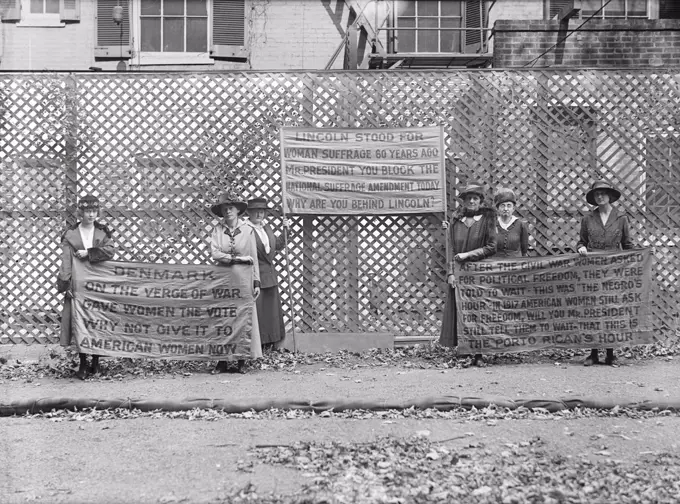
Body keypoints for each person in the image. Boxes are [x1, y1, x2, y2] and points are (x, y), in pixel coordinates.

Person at [57, 195, 116, 380]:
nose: (91, 215)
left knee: (97, 321)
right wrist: (65, 283)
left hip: (98, 283)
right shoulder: (71, 234)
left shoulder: (102, 231)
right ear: (80, 213)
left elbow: (110, 251)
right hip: (79, 284)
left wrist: (90, 253)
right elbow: (66, 261)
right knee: (81, 322)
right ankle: (83, 364)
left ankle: (96, 363)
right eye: (87, 212)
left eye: (94, 211)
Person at [577, 179, 634, 366]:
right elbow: (581, 242)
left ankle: (611, 353)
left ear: (610, 196)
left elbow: (627, 245)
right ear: (593, 197)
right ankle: (593, 353)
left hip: (613, 271)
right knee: (593, 310)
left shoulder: (621, 218)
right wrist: (581, 248)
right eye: (596, 194)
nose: (600, 196)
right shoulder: (588, 219)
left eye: (603, 193)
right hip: (593, 270)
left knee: (611, 310)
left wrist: (639, 256)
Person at [440, 182, 497, 366]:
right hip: (460, 274)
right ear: (463, 201)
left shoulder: (487, 219)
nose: (472, 201)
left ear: (480, 201)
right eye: (468, 198)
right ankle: (464, 351)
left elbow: (491, 246)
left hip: (480, 273)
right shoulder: (456, 221)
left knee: (479, 313)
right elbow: (450, 248)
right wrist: (450, 273)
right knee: (461, 311)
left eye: (475, 198)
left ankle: (479, 353)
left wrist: (468, 255)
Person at [210, 192, 262, 373]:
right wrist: (236, 259)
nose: (228, 212)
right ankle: (222, 360)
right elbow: (215, 253)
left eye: (231, 208)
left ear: (238, 210)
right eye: (224, 209)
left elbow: (253, 256)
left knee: (242, 317)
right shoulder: (217, 230)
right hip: (223, 279)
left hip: (243, 280)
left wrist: (256, 282)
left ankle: (242, 359)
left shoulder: (248, 230)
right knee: (224, 317)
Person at [246, 198, 286, 351]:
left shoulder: (266, 228)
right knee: (259, 311)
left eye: (262, 211)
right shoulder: (246, 229)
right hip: (255, 276)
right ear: (249, 213)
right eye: (255, 211)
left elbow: (278, 245)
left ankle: (271, 343)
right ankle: (259, 345)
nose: (259, 214)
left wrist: (285, 230)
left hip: (270, 275)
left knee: (271, 311)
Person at [494, 188, 529, 258]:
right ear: (497, 208)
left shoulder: (520, 225)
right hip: (496, 266)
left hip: (516, 266)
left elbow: (524, 249)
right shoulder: (491, 225)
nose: (506, 209)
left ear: (513, 208)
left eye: (509, 205)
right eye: (502, 205)